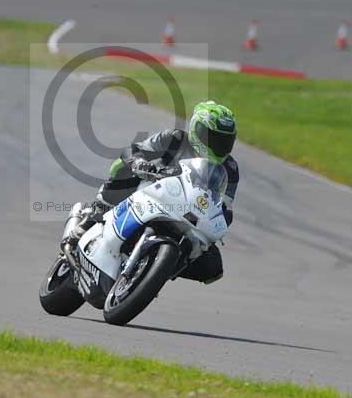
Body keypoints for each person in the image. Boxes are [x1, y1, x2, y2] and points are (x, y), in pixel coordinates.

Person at [63, 100, 239, 284]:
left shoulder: (230, 168)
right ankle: (92, 217)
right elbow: (134, 151)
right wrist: (139, 162)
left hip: (188, 214)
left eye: (225, 141)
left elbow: (225, 206)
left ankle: (155, 272)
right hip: (153, 193)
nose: (219, 145)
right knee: (122, 168)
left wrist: (219, 221)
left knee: (213, 267)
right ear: (197, 129)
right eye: (213, 137)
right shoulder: (175, 139)